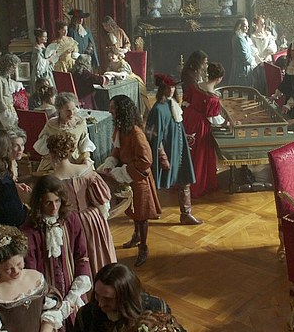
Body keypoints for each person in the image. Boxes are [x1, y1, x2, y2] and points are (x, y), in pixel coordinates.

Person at [72, 263, 201, 332]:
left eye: (108, 299)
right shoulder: (86, 315)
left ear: (125, 297)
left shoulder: (155, 308)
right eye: (97, 295)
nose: (100, 303)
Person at [21, 175, 92, 332]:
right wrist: (51, 301)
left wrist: (74, 295)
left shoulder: (72, 219)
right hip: (47, 298)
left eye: (57, 201)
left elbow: (82, 255)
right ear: (39, 202)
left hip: (72, 292)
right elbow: (31, 270)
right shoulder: (29, 230)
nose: (54, 207)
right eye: (48, 203)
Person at [0, 225, 67, 332]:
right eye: (8, 268)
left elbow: (50, 313)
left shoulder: (36, 278)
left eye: (19, 264)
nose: (15, 271)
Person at [98, 95, 162, 267]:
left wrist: (124, 172)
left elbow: (145, 161)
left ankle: (143, 247)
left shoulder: (136, 133)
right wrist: (111, 163)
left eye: (113, 107)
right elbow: (117, 150)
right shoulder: (121, 129)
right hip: (129, 179)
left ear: (122, 110)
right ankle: (136, 236)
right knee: (134, 213)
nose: (110, 111)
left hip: (138, 179)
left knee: (141, 216)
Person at [47, 131, 118, 276]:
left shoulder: (51, 180)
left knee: (75, 258)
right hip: (91, 219)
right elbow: (102, 199)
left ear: (51, 153)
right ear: (70, 151)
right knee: (96, 252)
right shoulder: (86, 171)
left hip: (67, 223)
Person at [146, 73, 202, 225]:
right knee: (155, 183)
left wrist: (184, 136)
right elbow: (153, 135)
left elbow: (176, 125)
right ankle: (147, 211)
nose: (171, 90)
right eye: (168, 87)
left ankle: (186, 214)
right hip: (169, 153)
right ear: (162, 88)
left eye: (173, 87)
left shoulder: (173, 103)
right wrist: (163, 158)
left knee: (185, 179)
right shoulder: (158, 110)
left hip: (180, 149)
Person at [182, 62, 226, 198]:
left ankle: (183, 181)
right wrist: (228, 123)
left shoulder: (195, 86)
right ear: (219, 78)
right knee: (199, 153)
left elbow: (186, 102)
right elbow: (213, 119)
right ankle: (197, 185)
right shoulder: (213, 98)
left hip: (188, 119)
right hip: (200, 126)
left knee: (187, 150)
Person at [34, 92, 96, 172]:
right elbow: (43, 146)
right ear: (59, 110)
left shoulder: (80, 123)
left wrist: (86, 158)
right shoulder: (51, 124)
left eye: (73, 109)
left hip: (76, 161)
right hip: (54, 162)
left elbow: (84, 144)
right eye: (68, 111)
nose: (72, 113)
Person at [0, 53, 20, 133]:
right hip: (1, 113)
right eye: (13, 68)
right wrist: (6, 114)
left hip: (8, 109)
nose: (13, 71)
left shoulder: (4, 76)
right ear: (7, 66)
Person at [230, 16, 257, 86]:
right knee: (242, 87)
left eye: (248, 26)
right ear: (239, 27)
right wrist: (252, 60)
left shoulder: (243, 37)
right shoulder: (239, 38)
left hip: (244, 67)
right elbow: (244, 56)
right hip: (241, 68)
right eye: (245, 26)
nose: (247, 28)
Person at [5, 127, 32, 194]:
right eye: (16, 146)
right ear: (7, 147)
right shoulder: (2, 165)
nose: (20, 149)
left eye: (22, 145)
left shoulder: (13, 162)